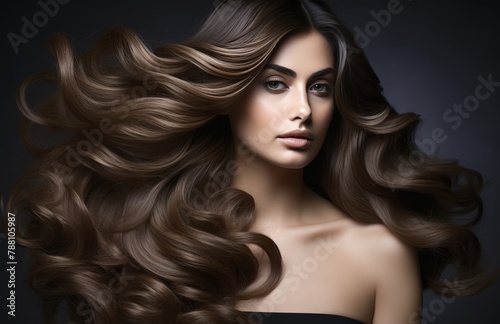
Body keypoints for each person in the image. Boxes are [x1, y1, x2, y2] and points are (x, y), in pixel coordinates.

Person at [7, 0, 493, 323]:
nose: (303, 110)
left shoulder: (379, 253)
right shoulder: (150, 237)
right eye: (276, 84)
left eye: (319, 87)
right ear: (227, 93)